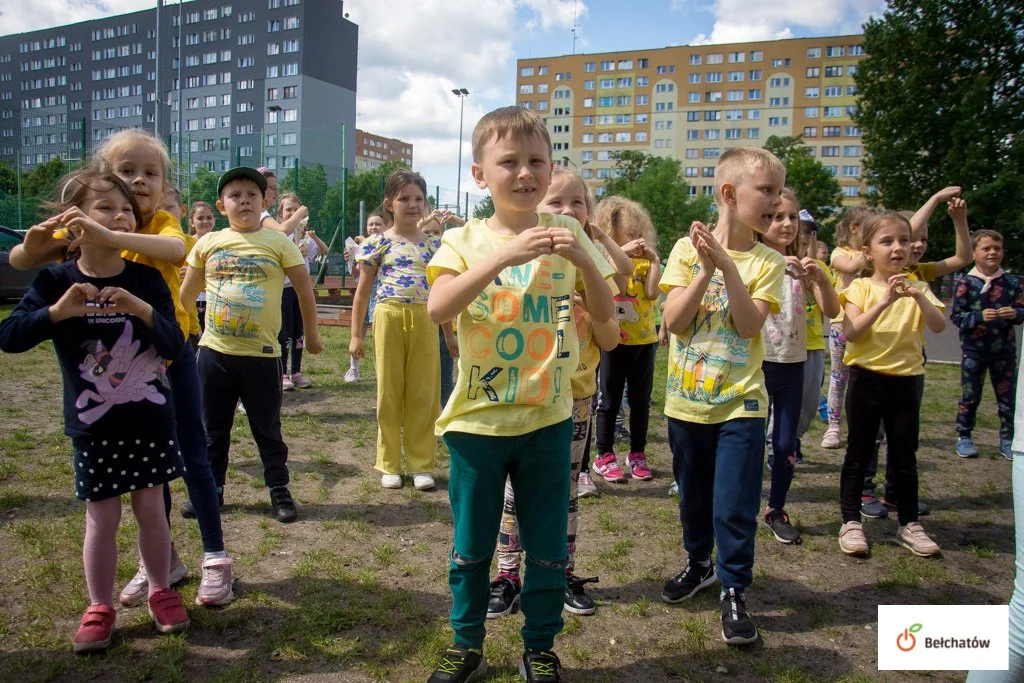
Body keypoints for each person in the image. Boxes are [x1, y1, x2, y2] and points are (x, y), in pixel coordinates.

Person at [425, 106, 615, 683]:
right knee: (472, 545)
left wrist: (582, 256)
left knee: (549, 545)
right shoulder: (462, 239)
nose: (526, 172)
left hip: (548, 421)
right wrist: (504, 255)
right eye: (509, 162)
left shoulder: (573, 234)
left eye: (537, 160)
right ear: (480, 174)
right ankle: (465, 644)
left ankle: (540, 647)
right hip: (476, 425)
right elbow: (439, 307)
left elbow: (609, 323)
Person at [10, 129, 234, 608]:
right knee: (152, 478)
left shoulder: (160, 223)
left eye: (150, 173)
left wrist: (108, 233)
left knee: (193, 455)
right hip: (117, 369)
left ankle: (215, 557)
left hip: (171, 352)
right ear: (104, 181)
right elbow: (21, 257)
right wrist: (36, 248)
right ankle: (162, 563)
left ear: (165, 183)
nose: (138, 181)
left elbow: (177, 252)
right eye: (126, 172)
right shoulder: (91, 224)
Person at [0, 169, 190, 651]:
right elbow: (10, 337)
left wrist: (141, 310)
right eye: (105, 207)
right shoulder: (55, 280)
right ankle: (99, 605)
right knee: (101, 519)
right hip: (92, 425)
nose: (119, 214)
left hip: (149, 419)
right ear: (74, 221)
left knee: (152, 511)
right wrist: (56, 313)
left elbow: (175, 342)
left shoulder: (145, 278)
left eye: (125, 208)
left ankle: (161, 588)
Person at [659, 147, 786, 647]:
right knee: (694, 498)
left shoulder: (768, 261)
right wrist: (706, 269)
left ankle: (734, 588)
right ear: (730, 194)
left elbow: (749, 323)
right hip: (686, 403)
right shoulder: (683, 251)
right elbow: (673, 321)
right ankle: (699, 565)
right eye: (767, 191)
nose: (776, 202)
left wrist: (729, 266)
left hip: (742, 404)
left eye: (778, 190)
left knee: (733, 503)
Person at [486, 165, 622, 623]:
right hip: (519, 393)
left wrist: (591, 298)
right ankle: (508, 576)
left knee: (563, 491)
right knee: (511, 494)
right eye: (556, 202)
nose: (567, 211)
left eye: (577, 202)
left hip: (574, 395)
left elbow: (612, 330)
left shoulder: (585, 255)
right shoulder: (511, 251)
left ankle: (560, 571)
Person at [180, 167, 324, 524]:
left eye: (252, 195)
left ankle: (279, 490)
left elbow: (305, 292)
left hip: (262, 356)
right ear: (221, 204)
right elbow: (185, 296)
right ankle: (211, 490)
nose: (244, 200)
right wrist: (178, 334)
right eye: (235, 195)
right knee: (213, 430)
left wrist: (314, 335)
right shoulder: (208, 242)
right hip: (214, 354)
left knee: (267, 430)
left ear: (263, 204)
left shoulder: (279, 243)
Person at [836, 211, 946, 558]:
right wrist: (885, 301)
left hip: (906, 382)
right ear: (868, 251)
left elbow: (939, 326)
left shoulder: (920, 287)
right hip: (867, 379)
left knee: (904, 455)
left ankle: (909, 523)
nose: (898, 247)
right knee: (859, 452)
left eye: (904, 240)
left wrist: (917, 297)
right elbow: (851, 332)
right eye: (887, 241)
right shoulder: (861, 287)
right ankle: (851, 521)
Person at [349, 170, 442, 491]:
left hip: (425, 321)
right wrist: (356, 334)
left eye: (418, 199)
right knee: (389, 393)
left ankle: (420, 464)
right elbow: (362, 291)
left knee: (423, 394)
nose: (413, 205)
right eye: (405, 198)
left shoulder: (434, 246)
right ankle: (389, 463)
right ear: (390, 203)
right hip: (388, 317)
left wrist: (451, 334)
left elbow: (443, 291)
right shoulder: (378, 243)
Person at [760, 190, 839, 544]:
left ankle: (776, 508)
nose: (787, 224)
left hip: (794, 364)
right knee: (747, 444)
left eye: (793, 217)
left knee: (786, 442)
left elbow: (833, 311)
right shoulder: (753, 260)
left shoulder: (807, 267)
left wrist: (818, 279)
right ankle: (740, 503)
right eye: (778, 217)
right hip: (756, 365)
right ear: (761, 221)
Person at [590, 196, 661, 484]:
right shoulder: (605, 260)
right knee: (609, 400)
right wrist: (619, 252)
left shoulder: (645, 264)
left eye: (639, 233)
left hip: (644, 341)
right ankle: (604, 455)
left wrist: (654, 260)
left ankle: (637, 453)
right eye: (629, 233)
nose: (636, 239)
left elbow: (654, 293)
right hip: (613, 341)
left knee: (641, 401)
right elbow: (605, 282)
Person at [951, 229, 1024, 460]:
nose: (992, 252)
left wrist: (1015, 313)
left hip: (1004, 350)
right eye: (986, 248)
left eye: (997, 248)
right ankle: (964, 435)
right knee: (970, 395)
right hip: (974, 351)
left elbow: (1023, 311)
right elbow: (957, 317)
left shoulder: (1011, 282)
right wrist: (979, 316)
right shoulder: (966, 283)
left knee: (1007, 397)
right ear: (974, 253)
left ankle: (1007, 438)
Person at [822, 205, 875, 449]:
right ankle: (833, 427)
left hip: (872, 322)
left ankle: (864, 426)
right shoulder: (838, 253)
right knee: (839, 377)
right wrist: (875, 250)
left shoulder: (874, 254)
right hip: (842, 323)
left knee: (866, 378)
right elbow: (852, 268)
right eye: (870, 227)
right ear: (854, 228)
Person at [795, 211, 836, 462]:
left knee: (810, 401)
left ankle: (794, 437)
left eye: (810, 232)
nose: (804, 236)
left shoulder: (818, 268)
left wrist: (816, 279)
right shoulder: (774, 262)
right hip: (778, 347)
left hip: (812, 343)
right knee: (776, 403)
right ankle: (776, 444)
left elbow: (830, 309)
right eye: (803, 231)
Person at [276, 192, 320, 390]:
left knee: (298, 331)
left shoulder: (304, 236)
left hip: (301, 290)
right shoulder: (280, 235)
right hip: (284, 288)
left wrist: (308, 243)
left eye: (297, 210)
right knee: (285, 330)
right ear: (280, 214)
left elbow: (316, 254)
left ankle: (297, 371)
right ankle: (282, 373)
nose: (293, 213)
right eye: (289, 210)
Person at [418, 209, 461, 409]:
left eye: (437, 232)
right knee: (421, 374)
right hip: (419, 322)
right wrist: (423, 221)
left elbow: (474, 232)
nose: (432, 237)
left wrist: (455, 220)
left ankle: (445, 413)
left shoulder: (447, 257)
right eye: (428, 231)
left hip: (443, 326)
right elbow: (409, 232)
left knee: (445, 375)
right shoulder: (413, 252)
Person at [344, 209, 388, 383]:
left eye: (378, 224)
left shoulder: (388, 245)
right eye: (370, 224)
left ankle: (383, 370)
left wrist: (366, 243)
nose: (374, 227)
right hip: (366, 294)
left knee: (381, 334)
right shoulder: (361, 248)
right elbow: (356, 275)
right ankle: (353, 368)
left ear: (387, 226)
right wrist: (351, 259)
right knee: (359, 331)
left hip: (381, 295)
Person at [187, 201, 216, 334]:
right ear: (192, 222)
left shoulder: (220, 243)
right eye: (200, 218)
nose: (205, 221)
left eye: (209, 217)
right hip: (193, 301)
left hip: (213, 299)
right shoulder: (185, 243)